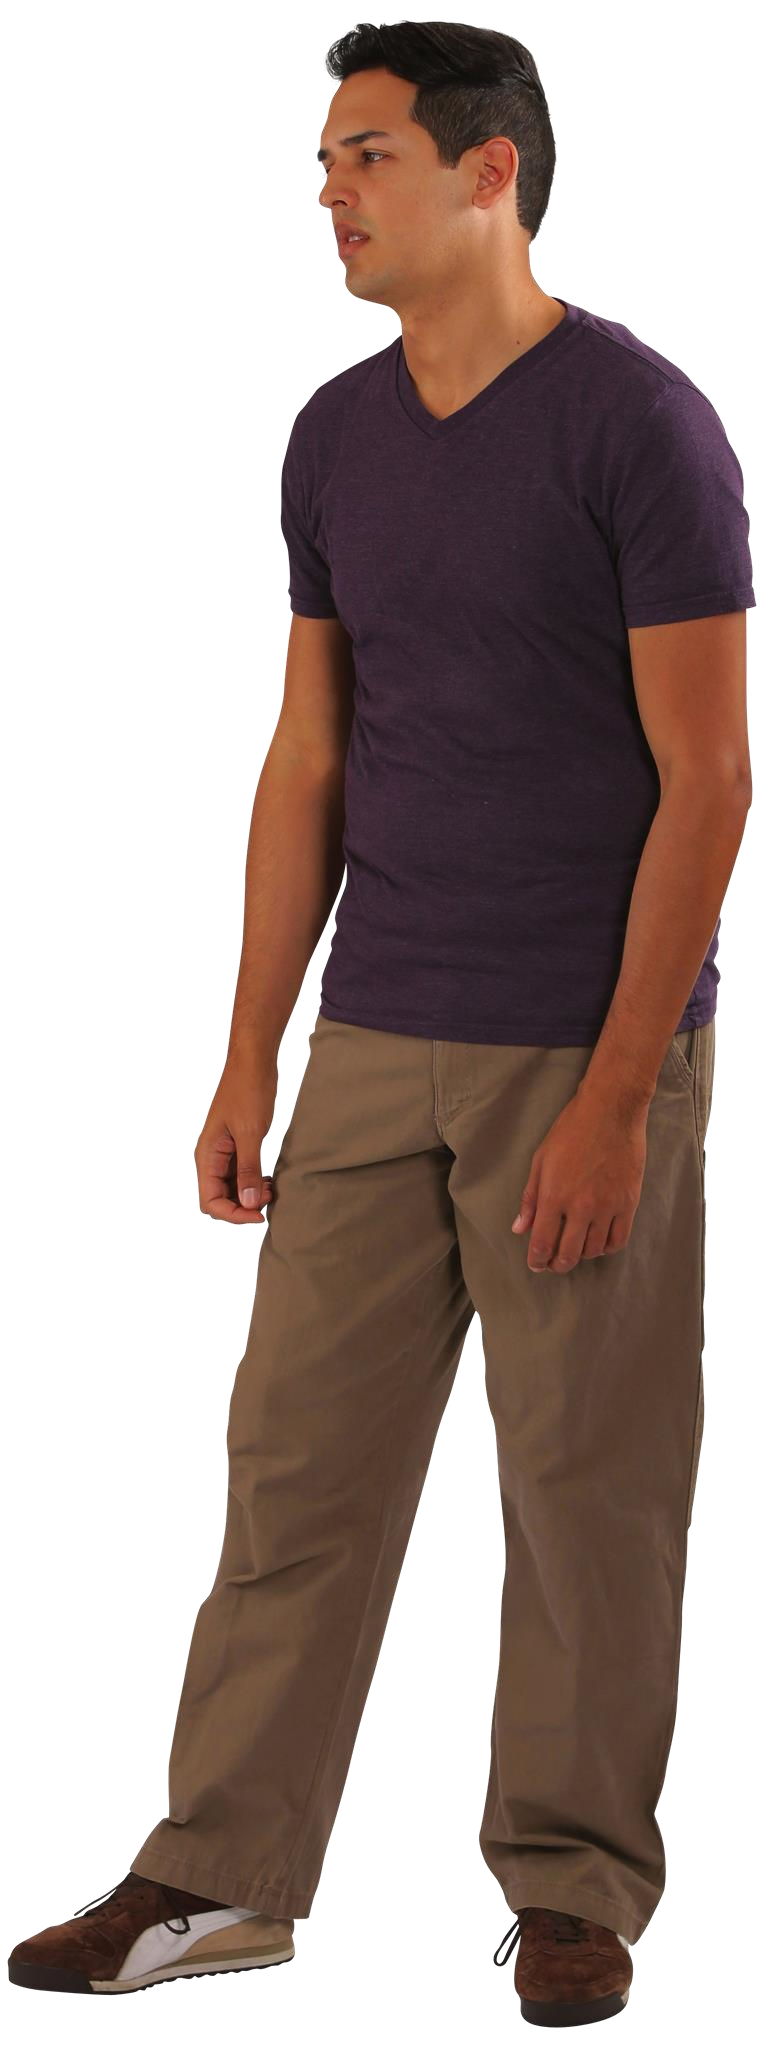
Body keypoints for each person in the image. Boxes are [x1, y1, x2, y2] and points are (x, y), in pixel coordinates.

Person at [9, 23, 753, 2015]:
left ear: (489, 174)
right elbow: (309, 755)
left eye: (366, 156)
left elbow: (711, 780)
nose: (328, 189)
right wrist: (254, 1048)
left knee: (587, 1486)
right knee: (294, 1470)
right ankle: (217, 1873)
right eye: (325, 160)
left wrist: (619, 1092)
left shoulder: (639, 422)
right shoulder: (333, 433)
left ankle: (574, 1886)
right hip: (373, 1035)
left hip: (578, 1043)